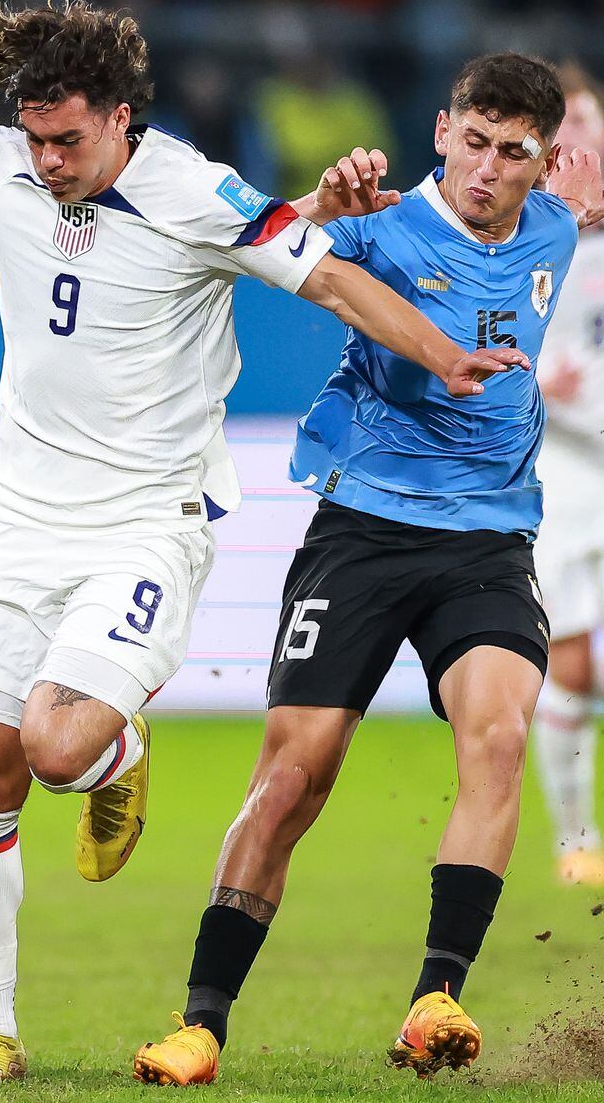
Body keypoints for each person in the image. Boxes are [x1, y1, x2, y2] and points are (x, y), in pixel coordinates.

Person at [0, 0, 524, 1085]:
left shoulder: (199, 194)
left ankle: (120, 757)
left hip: (149, 521)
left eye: (70, 140)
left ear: (121, 116)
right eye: (36, 137)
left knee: (57, 749)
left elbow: (330, 275)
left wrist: (443, 356)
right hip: (19, 517)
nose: (48, 161)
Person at [134, 52, 603, 1086]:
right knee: (295, 773)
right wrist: (313, 197)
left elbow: (584, 203)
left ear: (543, 161)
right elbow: (243, 249)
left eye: (511, 153)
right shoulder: (374, 227)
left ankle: (437, 998)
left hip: (488, 543)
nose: (486, 169)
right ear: (442, 132)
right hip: (363, 530)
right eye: (472, 142)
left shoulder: (559, 229)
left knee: (498, 733)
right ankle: (200, 1022)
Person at [532, 63, 604, 888]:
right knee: (573, 662)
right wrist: (542, 379)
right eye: (563, 123)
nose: (577, 134)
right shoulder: (522, 235)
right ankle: (575, 837)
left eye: (585, 116)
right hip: (565, 467)